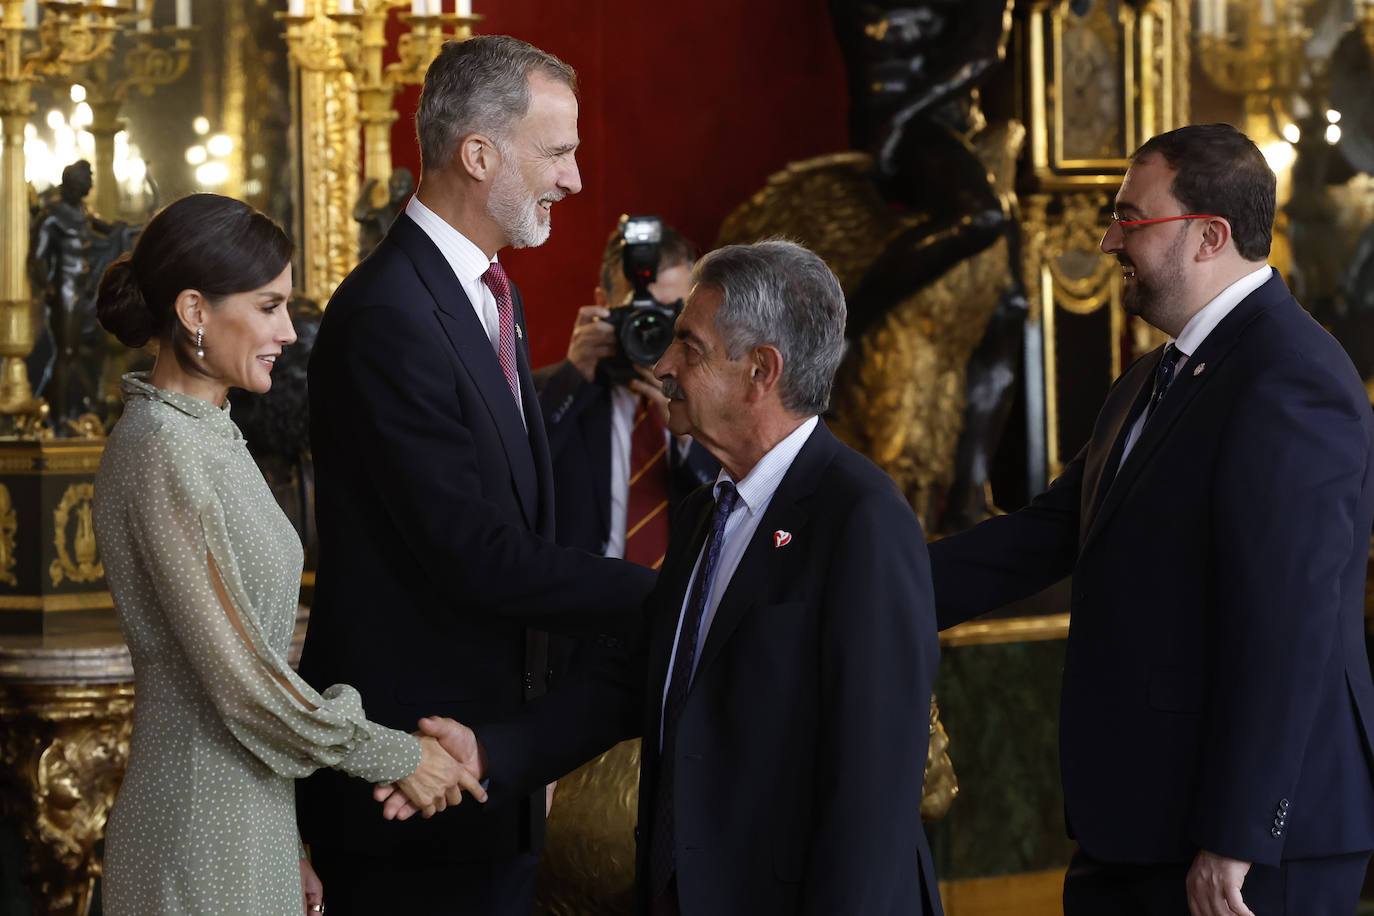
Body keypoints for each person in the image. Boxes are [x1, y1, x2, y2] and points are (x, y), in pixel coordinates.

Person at [399, 240, 946, 915]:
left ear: (759, 373)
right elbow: (641, 675)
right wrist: (489, 749)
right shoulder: (704, 513)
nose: (662, 366)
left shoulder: (861, 519)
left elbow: (874, 787)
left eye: (689, 346)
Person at [927, 123, 1374, 916]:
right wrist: (866, 575)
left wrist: (1236, 833)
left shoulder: (1291, 378)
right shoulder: (1149, 379)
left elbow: (1289, 625)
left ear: (1209, 236)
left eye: (1130, 219)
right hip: (1139, 824)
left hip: (1248, 850)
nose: (1106, 243)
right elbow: (1042, 536)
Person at [297, 35, 656, 916]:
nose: (574, 180)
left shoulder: (492, 291)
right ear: (479, 153)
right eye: (559, 150)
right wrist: (672, 591)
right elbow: (475, 551)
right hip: (412, 780)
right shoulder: (389, 314)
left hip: (483, 767)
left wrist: (523, 748)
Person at [90, 193, 481, 916]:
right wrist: (400, 755)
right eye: (269, 307)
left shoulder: (210, 432)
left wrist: (287, 840)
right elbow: (242, 685)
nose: (290, 333)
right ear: (195, 311)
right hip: (196, 840)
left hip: (248, 824)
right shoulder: (164, 451)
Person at [534, 220, 717, 566]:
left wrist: (689, 430)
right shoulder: (547, 393)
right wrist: (572, 378)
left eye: (668, 312)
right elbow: (517, 481)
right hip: (581, 602)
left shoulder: (715, 399)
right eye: (638, 310)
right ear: (604, 303)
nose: (652, 327)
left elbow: (731, 501)